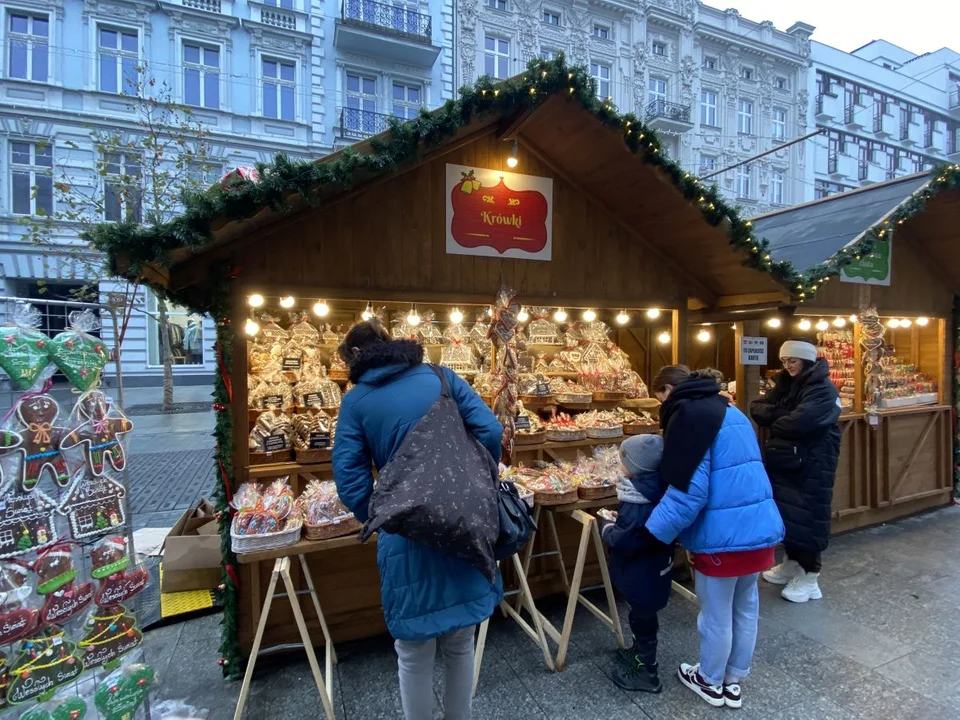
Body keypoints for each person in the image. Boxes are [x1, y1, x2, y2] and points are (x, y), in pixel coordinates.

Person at [332, 320, 503, 720]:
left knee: (412, 651)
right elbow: (491, 431)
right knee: (461, 642)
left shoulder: (356, 401)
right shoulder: (442, 376)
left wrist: (384, 517)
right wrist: (475, 487)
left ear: (354, 358)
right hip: (464, 520)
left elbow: (350, 480)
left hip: (404, 530)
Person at [642, 366, 784, 709]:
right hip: (758, 528)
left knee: (716, 613)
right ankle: (733, 679)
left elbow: (688, 493)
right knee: (746, 606)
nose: (660, 405)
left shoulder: (688, 416)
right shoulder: (730, 409)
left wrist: (651, 533)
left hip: (723, 536)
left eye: (660, 396)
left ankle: (709, 679)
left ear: (670, 389)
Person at [750, 339, 841, 603]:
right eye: (785, 360)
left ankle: (811, 575)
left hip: (813, 463)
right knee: (788, 513)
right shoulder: (786, 384)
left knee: (809, 514)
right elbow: (758, 407)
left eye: (794, 361)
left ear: (807, 361)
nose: (788, 366)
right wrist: (783, 413)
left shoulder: (824, 389)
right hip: (786, 461)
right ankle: (792, 562)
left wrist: (776, 416)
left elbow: (801, 422)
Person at [599, 433, 674, 694]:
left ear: (636, 467)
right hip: (656, 567)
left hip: (641, 573)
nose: (620, 465)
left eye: (623, 460)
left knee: (642, 619)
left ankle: (646, 672)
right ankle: (637, 652)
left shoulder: (637, 502)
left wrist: (608, 527)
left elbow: (626, 540)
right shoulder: (657, 490)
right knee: (641, 615)